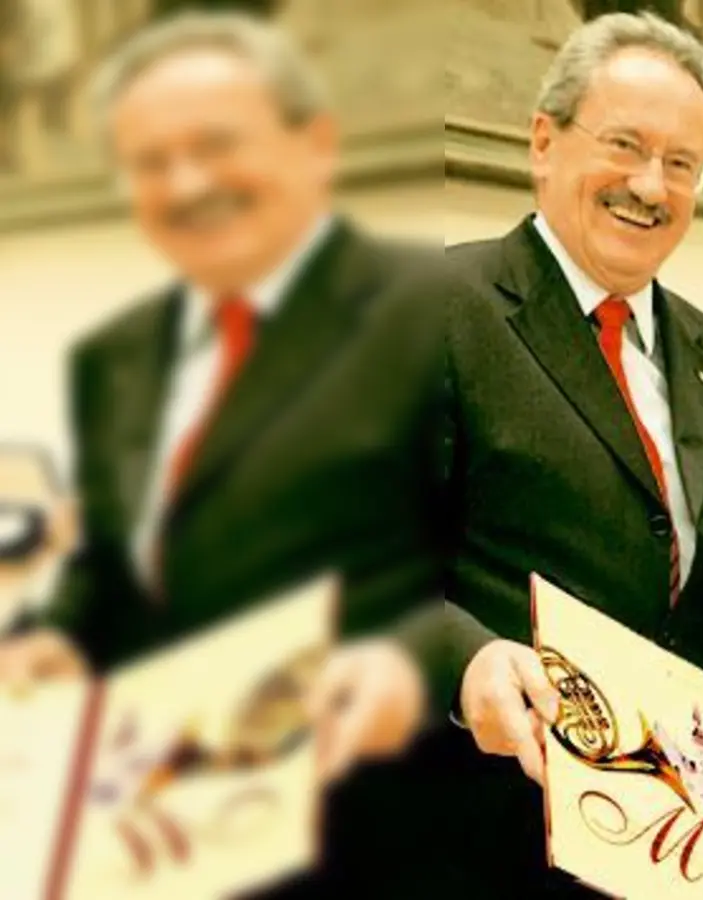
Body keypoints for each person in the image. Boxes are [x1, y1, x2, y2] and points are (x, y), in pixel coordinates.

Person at [0, 13, 455, 895]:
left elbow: (503, 563)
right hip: (155, 838)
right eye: (149, 161)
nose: (185, 182)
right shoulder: (114, 357)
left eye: (215, 144)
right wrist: (59, 640)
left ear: (314, 145)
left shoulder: (434, 310)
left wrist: (410, 663)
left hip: (377, 839)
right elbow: (117, 566)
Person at [434, 12, 703, 895]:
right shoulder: (435, 310)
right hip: (485, 831)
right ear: (543, 142)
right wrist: (466, 663)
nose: (651, 184)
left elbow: (699, 562)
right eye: (625, 146)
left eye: (681, 164)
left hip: (673, 836)